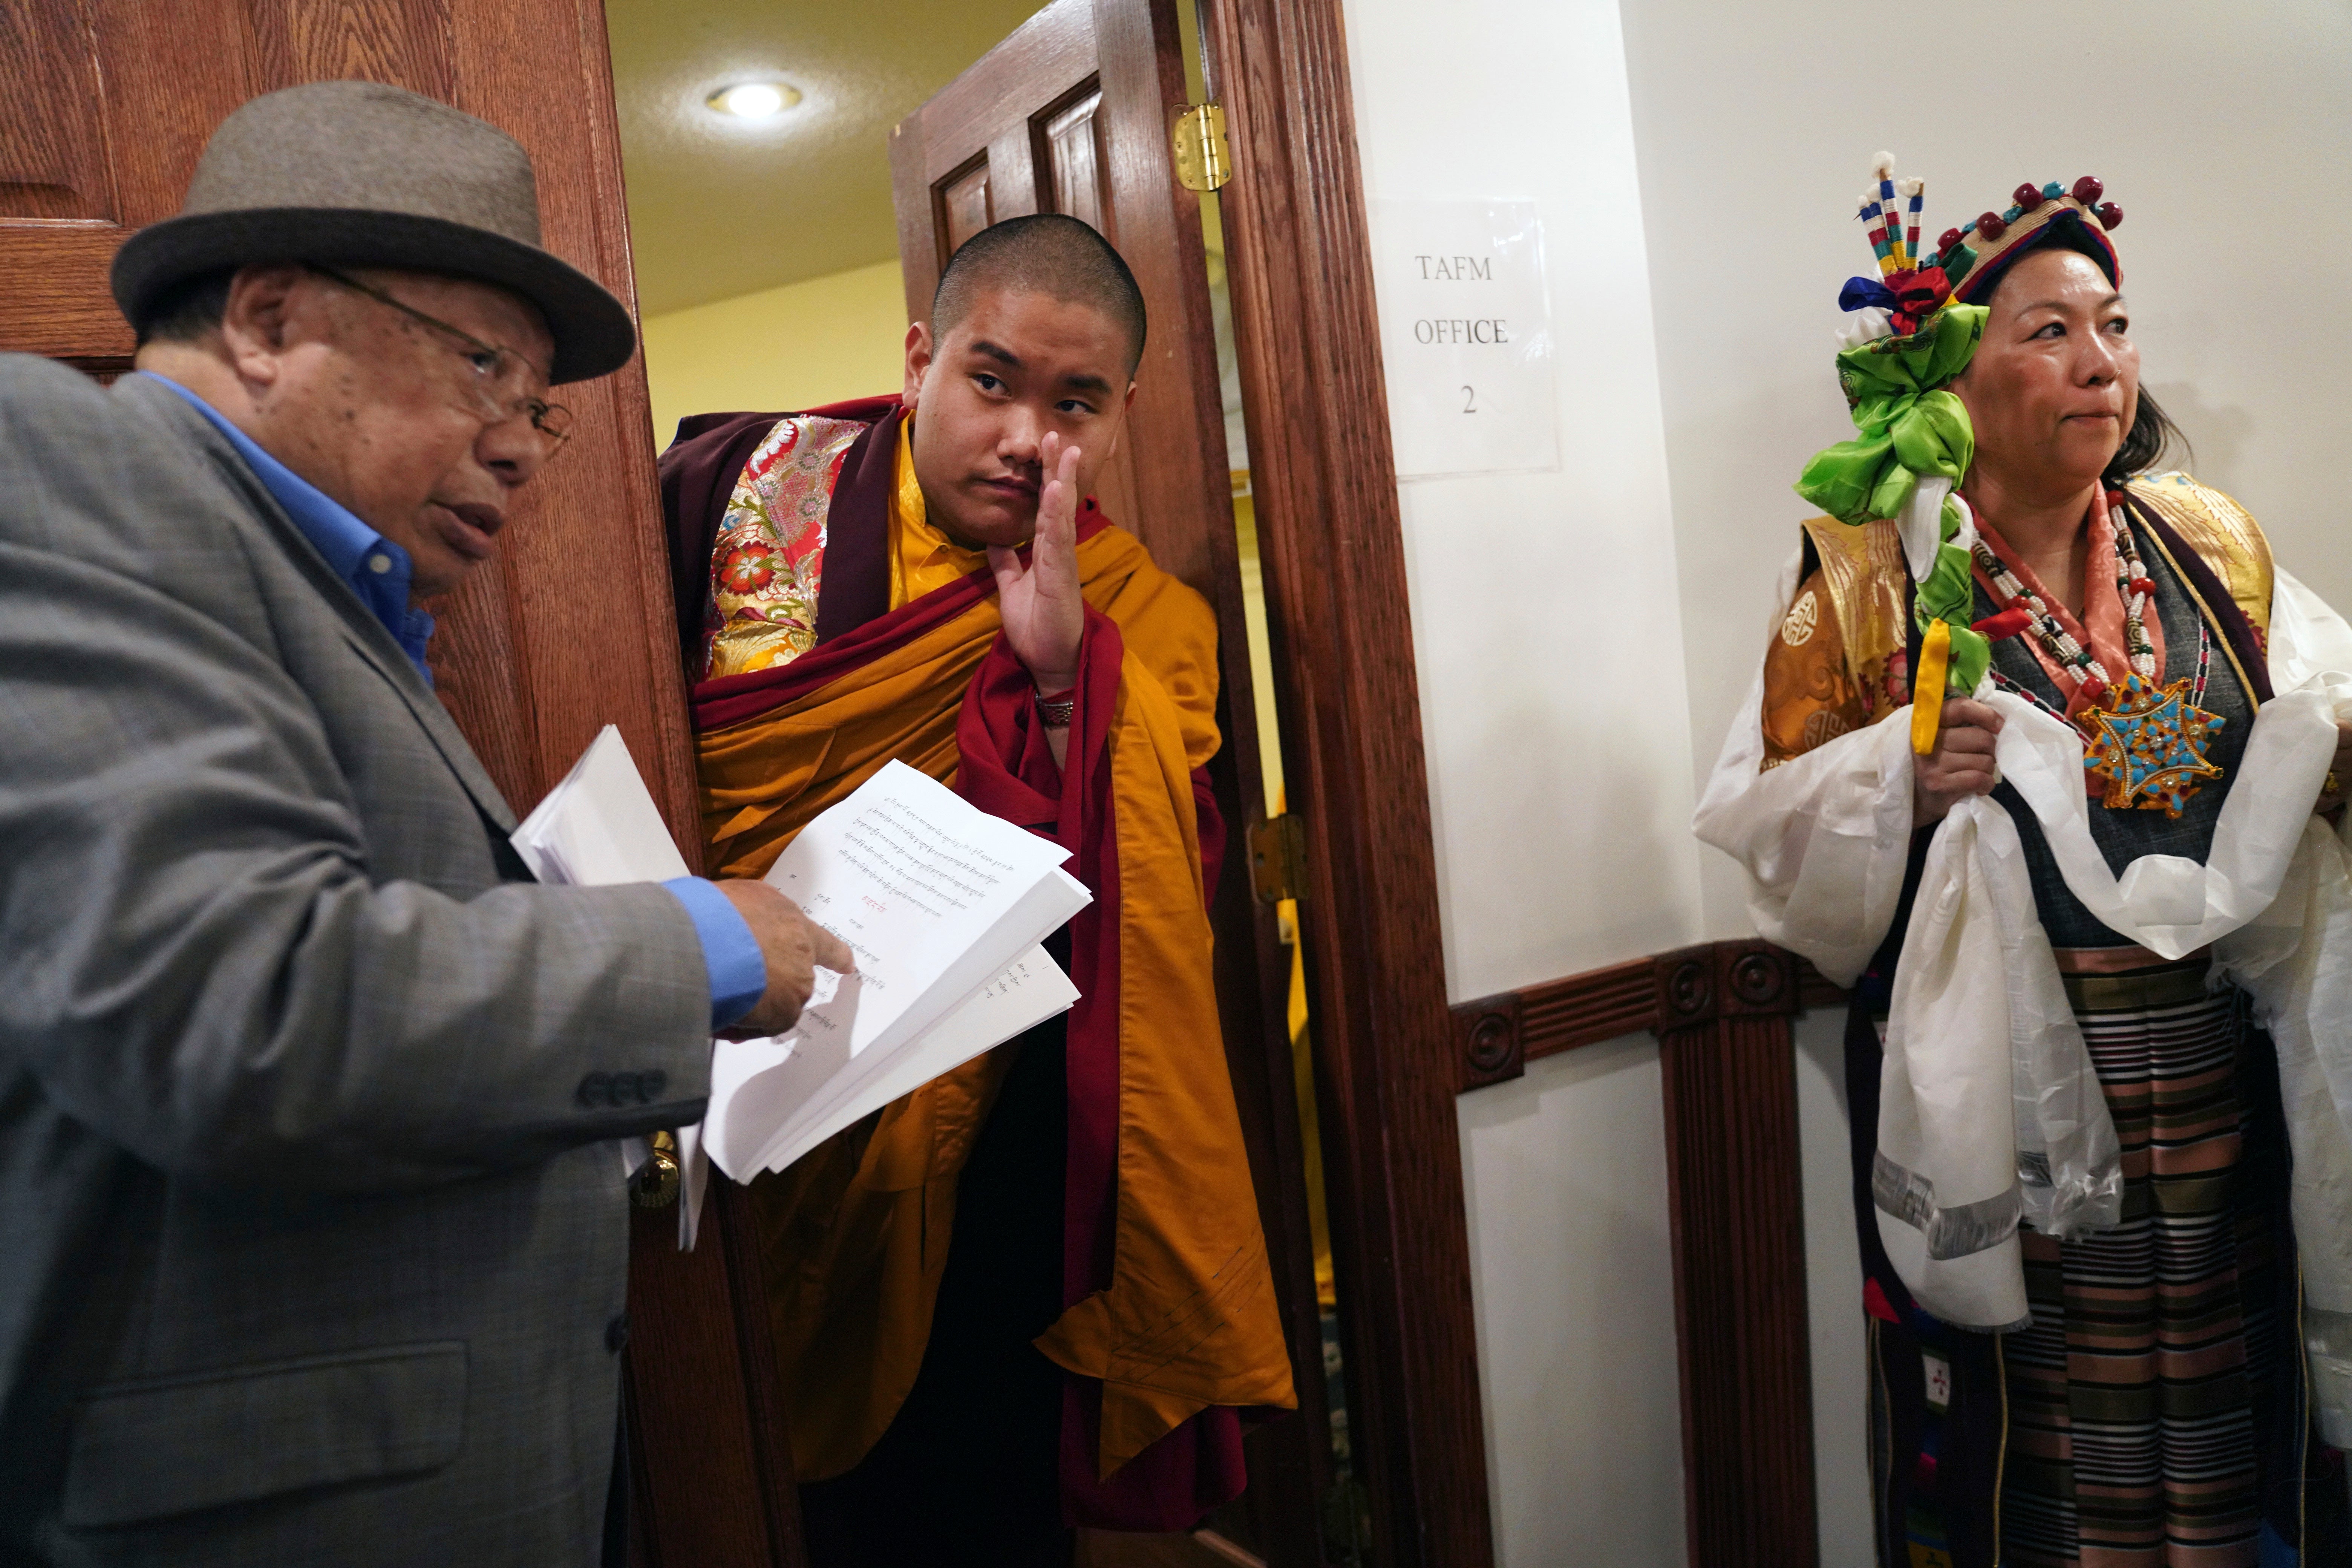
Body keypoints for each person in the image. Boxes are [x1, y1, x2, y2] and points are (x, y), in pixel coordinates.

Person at [0, 82, 849, 1566]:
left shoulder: (337, 599)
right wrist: (697, 943)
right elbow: (233, 1004)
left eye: (539, 409)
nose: (519, 446)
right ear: (266, 316)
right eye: (484, 369)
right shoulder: (66, 467)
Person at [1698, 159, 2352, 1566]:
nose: (2099, 364)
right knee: (2042, 1425)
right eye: (2048, 332)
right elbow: (1767, 826)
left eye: (2113, 327)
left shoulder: (2208, 541)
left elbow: (2322, 706)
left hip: (2213, 1057)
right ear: (1952, 379)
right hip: (2014, 1066)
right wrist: (1898, 782)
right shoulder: (1872, 574)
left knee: (2228, 1382)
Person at [658, 213, 1295, 1563]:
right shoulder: (744, 492)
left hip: (979, 1124)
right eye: (990, 381)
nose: (1023, 437)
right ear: (918, 361)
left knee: (962, 1496)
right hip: (716, 1067)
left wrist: (1065, 679)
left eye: (1074, 405)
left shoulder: (1144, 612)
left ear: (1124, 411)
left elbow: (1147, 907)